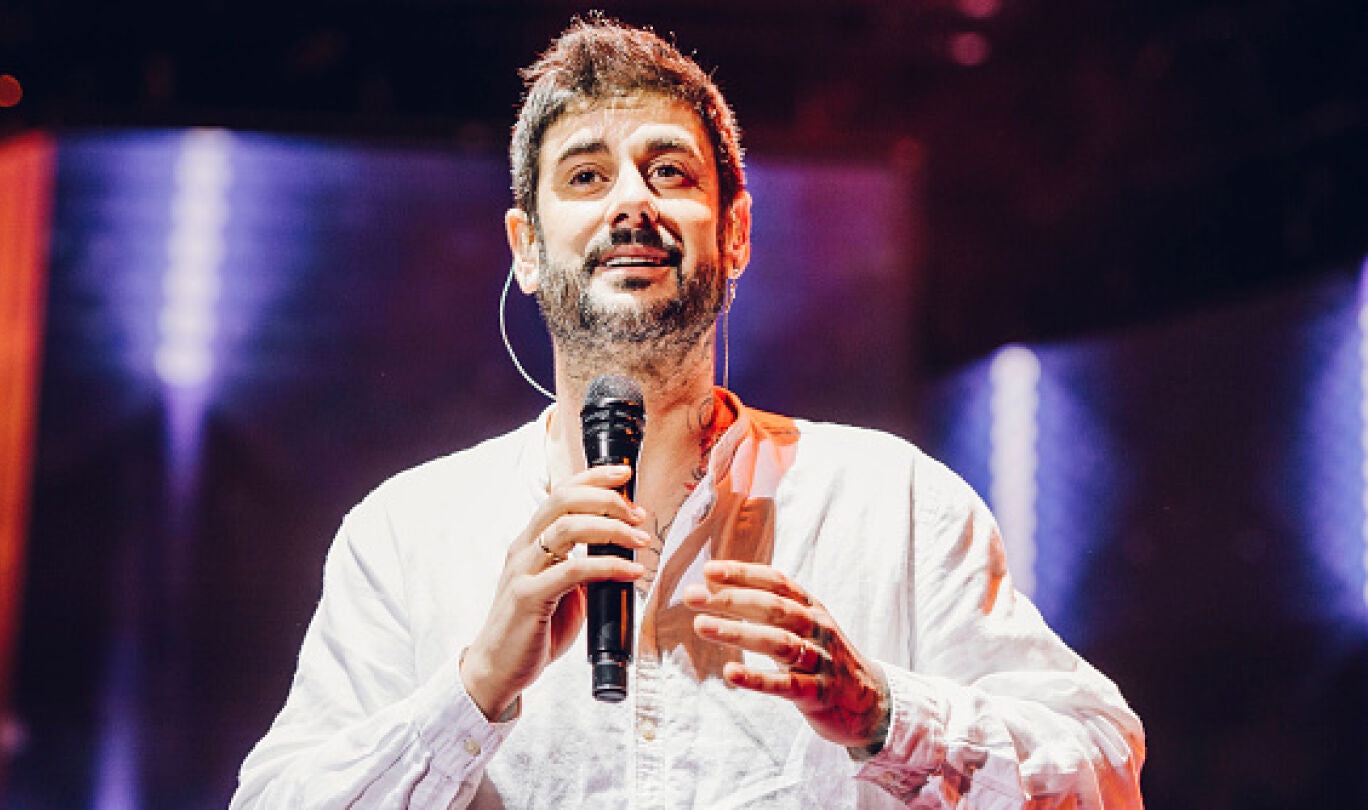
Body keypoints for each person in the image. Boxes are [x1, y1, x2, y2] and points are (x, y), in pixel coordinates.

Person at [231, 17, 1145, 809]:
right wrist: (472, 691)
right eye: (586, 177)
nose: (632, 202)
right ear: (527, 248)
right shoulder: (407, 537)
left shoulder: (895, 506)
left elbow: (1102, 776)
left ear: (735, 232)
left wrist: (881, 713)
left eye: (668, 171)